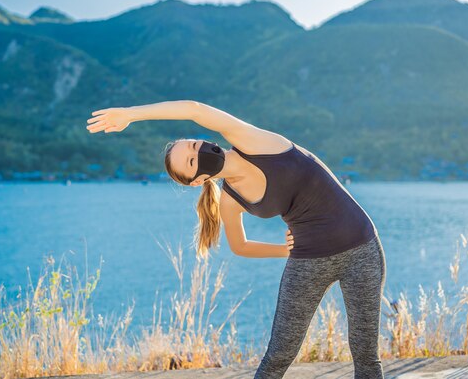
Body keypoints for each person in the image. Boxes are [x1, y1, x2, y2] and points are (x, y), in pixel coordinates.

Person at [86, 100, 386, 379]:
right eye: (191, 161)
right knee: (279, 354)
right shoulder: (230, 200)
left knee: (365, 354)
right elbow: (240, 246)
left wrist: (130, 114)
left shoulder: (252, 141)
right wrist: (285, 250)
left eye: (193, 145)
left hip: (362, 245)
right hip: (308, 261)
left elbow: (193, 108)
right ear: (198, 181)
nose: (198, 151)